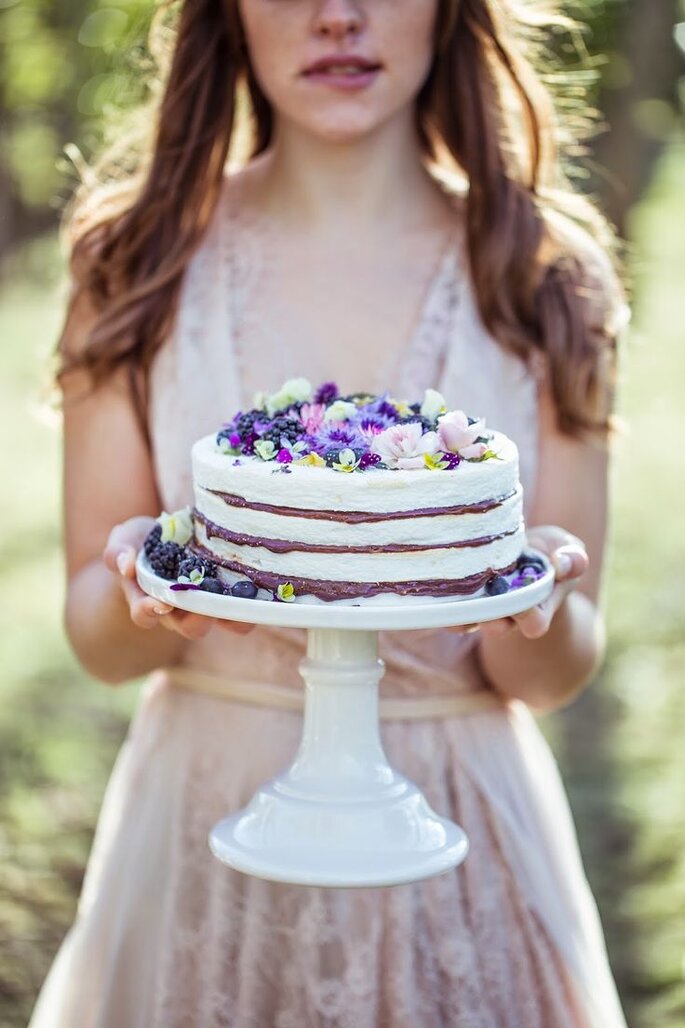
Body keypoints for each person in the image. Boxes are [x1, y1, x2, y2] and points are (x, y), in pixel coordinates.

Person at [29, 1, 633, 1025]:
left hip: (462, 826)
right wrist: (139, 590)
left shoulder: (545, 277)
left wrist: (536, 600)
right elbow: (98, 635)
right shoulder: (135, 265)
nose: (337, 15)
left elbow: (553, 670)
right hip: (204, 818)